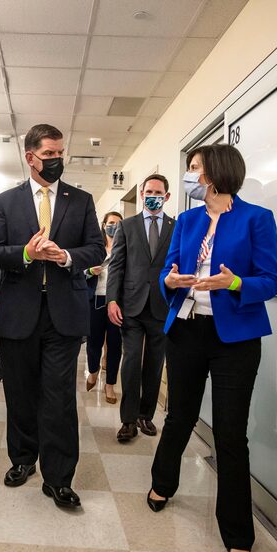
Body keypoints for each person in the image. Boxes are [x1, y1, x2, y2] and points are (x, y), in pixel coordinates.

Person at [147, 144, 277, 552]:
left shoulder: (257, 219)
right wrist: (169, 282)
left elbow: (271, 280)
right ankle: (163, 482)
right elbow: (168, 272)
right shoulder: (187, 221)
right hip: (187, 331)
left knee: (229, 434)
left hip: (235, 341)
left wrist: (234, 283)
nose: (189, 175)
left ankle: (238, 533)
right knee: (179, 418)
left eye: (193, 168)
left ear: (213, 173)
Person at [0, 124, 104, 509]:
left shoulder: (80, 200)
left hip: (64, 315)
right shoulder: (7, 201)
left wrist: (67, 257)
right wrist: (27, 254)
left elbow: (97, 248)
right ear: (30, 157)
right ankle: (22, 460)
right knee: (20, 393)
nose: (57, 160)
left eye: (60, 153)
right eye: (49, 154)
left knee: (58, 399)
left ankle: (59, 477)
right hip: (20, 312)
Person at [107, 174, 175, 441]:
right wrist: (112, 299)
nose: (152, 196)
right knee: (132, 361)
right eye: (148, 191)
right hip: (131, 305)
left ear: (166, 196)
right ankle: (128, 420)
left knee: (155, 363)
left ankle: (145, 415)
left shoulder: (175, 227)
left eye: (158, 192)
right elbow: (117, 266)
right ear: (142, 194)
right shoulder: (128, 226)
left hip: (162, 304)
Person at [84, 212, 124, 404]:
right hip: (95, 301)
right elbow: (79, 272)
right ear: (103, 225)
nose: (113, 227)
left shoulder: (125, 248)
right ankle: (93, 371)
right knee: (94, 342)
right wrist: (91, 271)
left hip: (117, 303)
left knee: (115, 345)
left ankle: (110, 385)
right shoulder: (95, 249)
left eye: (117, 224)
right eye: (110, 223)